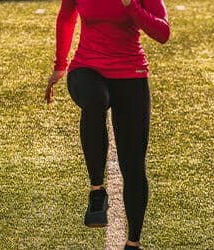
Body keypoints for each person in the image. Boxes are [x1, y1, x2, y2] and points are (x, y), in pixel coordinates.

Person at [45, 0, 170, 248]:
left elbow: (163, 33)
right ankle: (97, 191)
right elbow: (67, 16)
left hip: (131, 74)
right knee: (95, 99)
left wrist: (132, 6)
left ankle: (133, 242)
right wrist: (60, 65)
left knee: (133, 166)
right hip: (87, 69)